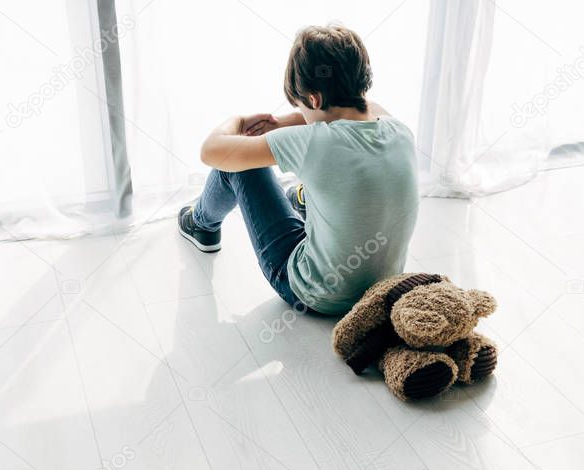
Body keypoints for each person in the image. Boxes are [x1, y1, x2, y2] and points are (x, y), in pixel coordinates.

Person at [178, 24, 419, 316]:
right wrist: (282, 123)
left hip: (316, 294)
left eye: (303, 107)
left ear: (314, 99)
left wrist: (239, 122)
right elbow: (367, 107)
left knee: (241, 166)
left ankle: (201, 224)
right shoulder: (399, 130)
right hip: (380, 289)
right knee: (323, 184)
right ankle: (302, 199)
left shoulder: (315, 144)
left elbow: (212, 151)